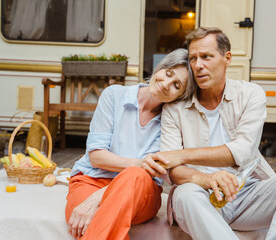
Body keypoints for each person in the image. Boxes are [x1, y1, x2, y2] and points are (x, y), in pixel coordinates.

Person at [155, 27, 276, 240]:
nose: (198, 66)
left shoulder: (250, 94)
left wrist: (183, 154)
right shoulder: (174, 108)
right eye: (193, 58)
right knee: (185, 194)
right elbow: (173, 171)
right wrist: (207, 179)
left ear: (227, 58)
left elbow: (242, 152)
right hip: (199, 196)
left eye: (206, 57)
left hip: (247, 195)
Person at [65, 48, 196, 240]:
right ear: (160, 69)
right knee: (90, 222)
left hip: (141, 192)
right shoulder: (114, 95)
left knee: (135, 174)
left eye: (177, 85)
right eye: (167, 74)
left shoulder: (172, 121)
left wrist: (100, 198)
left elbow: (147, 173)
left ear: (181, 96)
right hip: (91, 181)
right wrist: (139, 165)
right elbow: (96, 156)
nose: (166, 84)